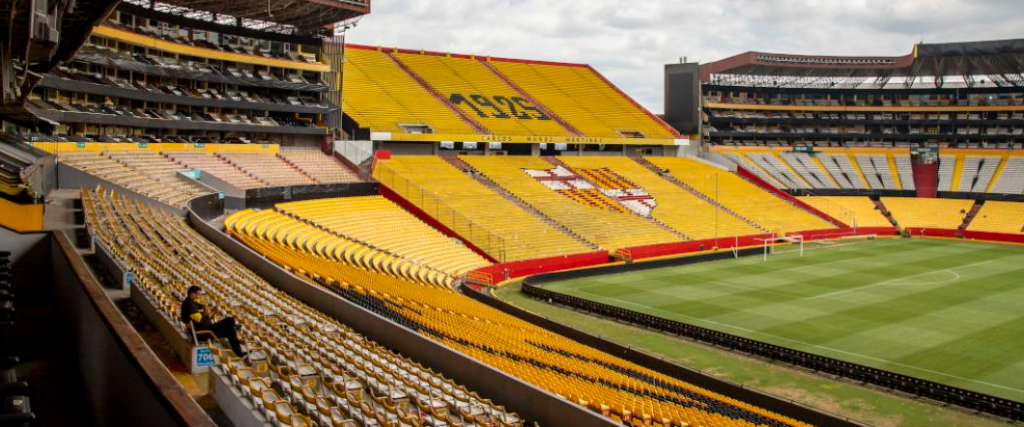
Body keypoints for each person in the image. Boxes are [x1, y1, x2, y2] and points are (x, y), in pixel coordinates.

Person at [180, 285, 246, 357]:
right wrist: (213, 312)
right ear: (192, 294)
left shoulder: (193, 304)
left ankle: (239, 354)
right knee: (230, 320)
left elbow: (204, 319)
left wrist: (213, 312)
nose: (200, 297)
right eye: (199, 295)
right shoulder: (189, 305)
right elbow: (201, 320)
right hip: (203, 333)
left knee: (231, 330)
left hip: (206, 329)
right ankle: (237, 338)